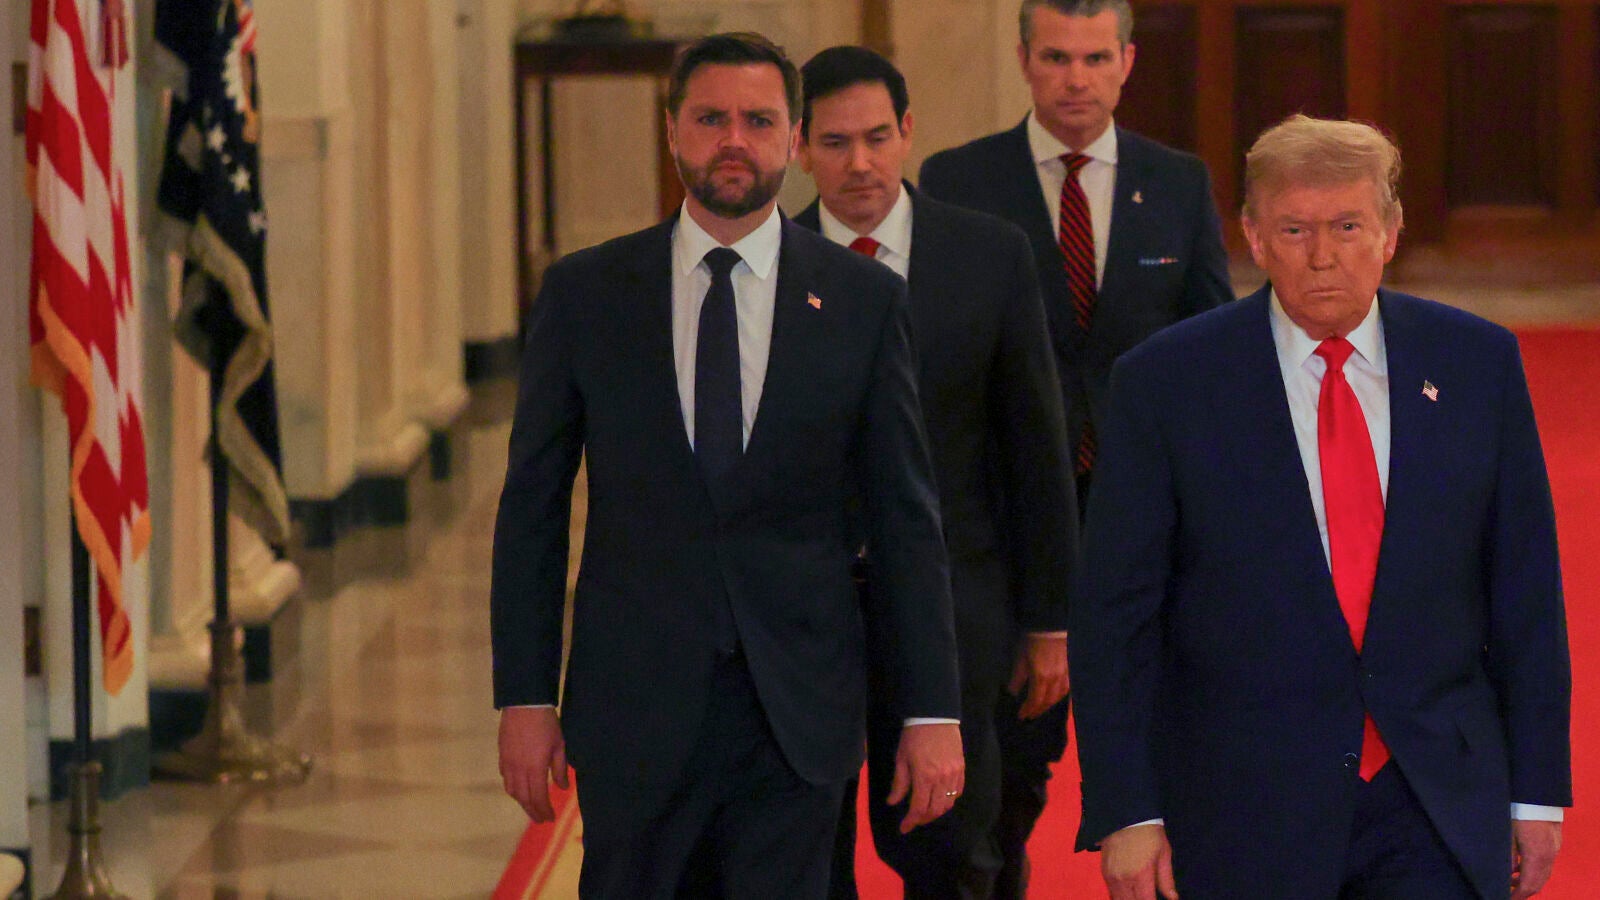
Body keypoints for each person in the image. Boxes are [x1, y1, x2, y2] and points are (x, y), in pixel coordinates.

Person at [490, 32, 966, 898]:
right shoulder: (587, 293)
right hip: (635, 709)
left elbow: (906, 517)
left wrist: (932, 709)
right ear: (672, 128)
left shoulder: (862, 300)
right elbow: (533, 510)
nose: (734, 141)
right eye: (711, 119)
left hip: (797, 712)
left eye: (759, 120)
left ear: (794, 138)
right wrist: (524, 697)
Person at [1069, 113, 1572, 900]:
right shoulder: (1165, 383)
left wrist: (1536, 794)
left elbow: (1526, 594)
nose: (1323, 254)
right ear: (1253, 236)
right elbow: (1115, 616)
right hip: (1240, 807)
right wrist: (1126, 808)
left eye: (1348, 226)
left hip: (1435, 796)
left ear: (1391, 233)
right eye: (1295, 229)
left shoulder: (1477, 362)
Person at [916, 2, 1234, 891]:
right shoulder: (958, 180)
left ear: (1128, 61)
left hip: (1143, 509)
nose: (1076, 80)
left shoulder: (1177, 183)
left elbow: (1215, 349)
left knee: (1163, 740)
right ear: (1024, 59)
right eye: (1056, 57)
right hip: (1007, 517)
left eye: (1096, 58)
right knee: (1011, 758)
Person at [792, 46, 1078, 900]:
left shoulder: (989, 255)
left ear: (909, 131)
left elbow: (1036, 450)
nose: (860, 163)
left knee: (956, 854)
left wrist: (1050, 622)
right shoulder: (770, 263)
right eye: (835, 143)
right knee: (805, 859)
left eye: (877, 137)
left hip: (956, 613)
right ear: (800, 147)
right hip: (805, 621)